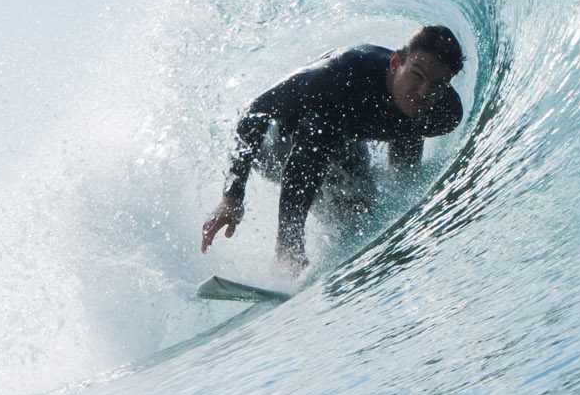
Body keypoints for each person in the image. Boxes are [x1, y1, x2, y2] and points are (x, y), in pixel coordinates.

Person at [199, 25, 467, 276]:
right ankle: (288, 251)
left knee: (359, 211)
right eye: (417, 75)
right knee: (320, 130)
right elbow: (253, 115)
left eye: (437, 85)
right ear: (396, 63)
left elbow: (407, 130)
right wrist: (232, 198)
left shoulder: (443, 112)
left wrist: (405, 188)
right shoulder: (339, 74)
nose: (423, 91)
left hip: (342, 142)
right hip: (275, 145)